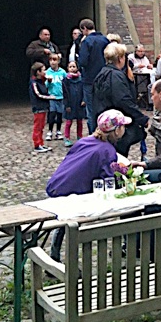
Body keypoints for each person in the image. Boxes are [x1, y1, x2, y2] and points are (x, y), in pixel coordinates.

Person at [47, 109, 131, 260]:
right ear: (117, 130)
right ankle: (62, 260)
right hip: (72, 192)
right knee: (71, 222)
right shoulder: (108, 150)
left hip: (58, 184)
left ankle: (54, 255)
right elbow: (108, 179)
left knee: (62, 226)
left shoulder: (85, 141)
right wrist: (124, 174)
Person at [92, 42, 149, 156]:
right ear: (119, 58)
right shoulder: (115, 75)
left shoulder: (102, 73)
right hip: (115, 125)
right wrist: (141, 118)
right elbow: (123, 101)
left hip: (105, 120)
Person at [78, 18, 109, 133]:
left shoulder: (86, 42)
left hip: (89, 79)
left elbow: (83, 61)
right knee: (103, 107)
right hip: (104, 78)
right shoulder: (105, 40)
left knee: (91, 111)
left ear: (84, 29)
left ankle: (93, 135)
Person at [29, 62, 55, 152]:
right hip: (38, 107)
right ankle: (37, 144)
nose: (45, 72)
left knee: (42, 126)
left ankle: (41, 143)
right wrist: (50, 97)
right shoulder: (34, 82)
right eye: (43, 70)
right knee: (38, 126)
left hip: (43, 107)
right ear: (38, 72)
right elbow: (38, 94)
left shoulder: (41, 81)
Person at [62, 60, 85, 147]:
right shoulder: (66, 80)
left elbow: (84, 90)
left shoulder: (81, 79)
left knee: (80, 121)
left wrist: (84, 100)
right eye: (70, 67)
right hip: (70, 103)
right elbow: (65, 93)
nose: (72, 68)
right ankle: (67, 137)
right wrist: (66, 104)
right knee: (69, 121)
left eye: (73, 66)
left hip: (79, 102)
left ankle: (80, 136)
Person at [44, 53, 67, 141]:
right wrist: (48, 82)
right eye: (51, 60)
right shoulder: (47, 72)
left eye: (55, 60)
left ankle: (58, 130)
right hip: (52, 96)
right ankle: (50, 131)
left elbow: (66, 83)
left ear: (58, 61)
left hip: (61, 97)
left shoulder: (62, 72)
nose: (52, 62)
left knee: (60, 114)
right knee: (52, 113)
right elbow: (45, 85)